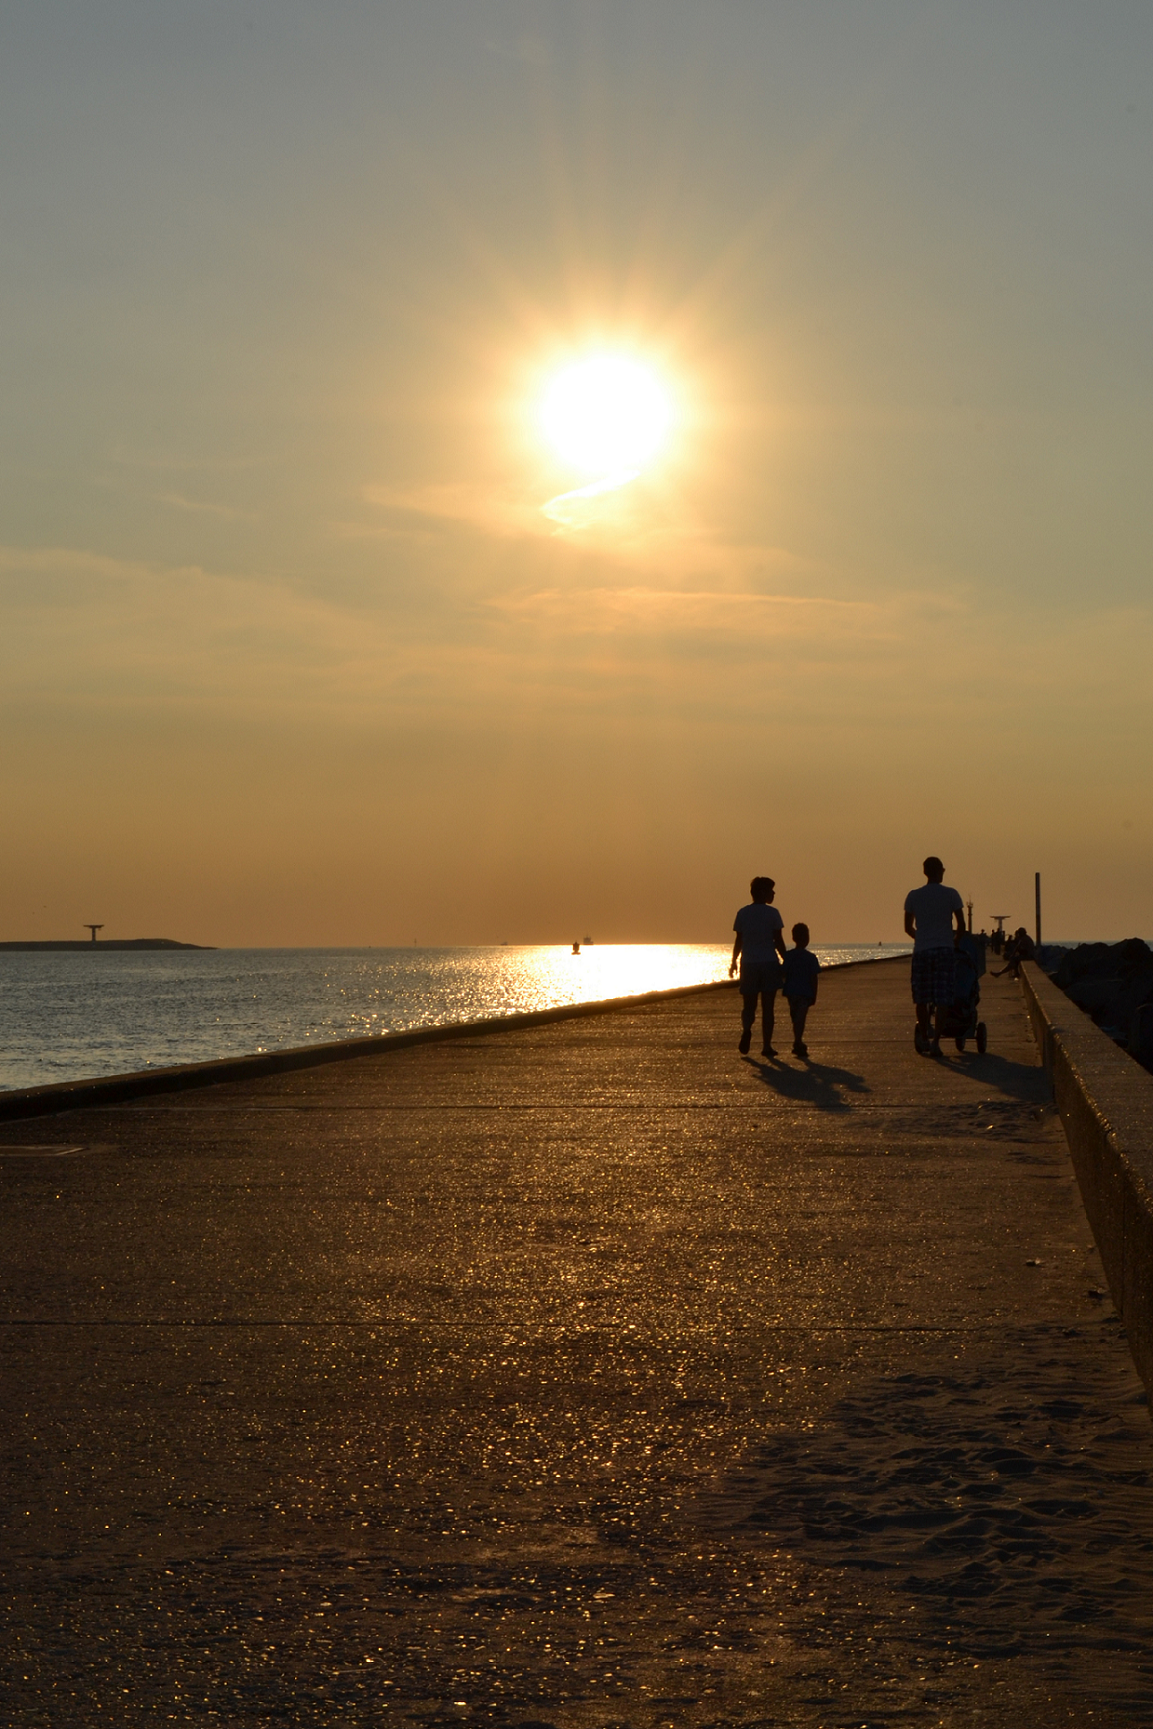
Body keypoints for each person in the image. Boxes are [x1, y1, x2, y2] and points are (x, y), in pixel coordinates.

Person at [903, 856, 966, 1055]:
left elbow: (907, 927)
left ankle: (923, 1037)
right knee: (942, 999)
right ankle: (936, 1042)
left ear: (925, 872)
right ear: (940, 871)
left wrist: (920, 938)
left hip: (922, 951)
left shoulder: (913, 895)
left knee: (921, 998)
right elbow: (961, 926)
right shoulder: (951, 894)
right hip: (944, 951)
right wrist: (953, 942)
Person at [729, 876, 787, 1056]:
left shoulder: (742, 913)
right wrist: (787, 960)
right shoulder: (773, 913)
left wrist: (733, 962)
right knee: (768, 1007)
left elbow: (738, 940)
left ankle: (747, 1029)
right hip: (769, 962)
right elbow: (778, 941)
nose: (773, 894)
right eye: (771, 891)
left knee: (749, 1005)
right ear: (762, 892)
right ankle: (766, 1046)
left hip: (748, 963)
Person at [782, 923, 820, 1059]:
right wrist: (814, 994)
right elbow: (813, 978)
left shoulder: (789, 956)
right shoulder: (810, 958)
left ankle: (798, 1041)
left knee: (795, 1017)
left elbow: (783, 973)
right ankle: (798, 1041)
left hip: (791, 992)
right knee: (800, 1018)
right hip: (804, 993)